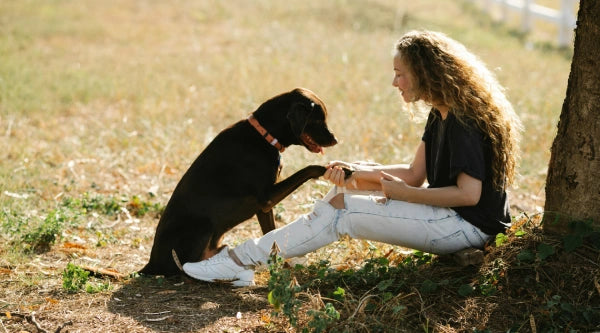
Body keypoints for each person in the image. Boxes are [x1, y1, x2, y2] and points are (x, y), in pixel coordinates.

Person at [181, 30, 522, 287]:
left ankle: (238, 260)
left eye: (400, 74)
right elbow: (414, 173)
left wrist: (402, 194)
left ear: (427, 73)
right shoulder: (441, 113)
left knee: (344, 213)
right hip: (450, 216)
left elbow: (468, 195)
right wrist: (356, 173)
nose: (395, 82)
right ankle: (241, 266)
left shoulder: (464, 122)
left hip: (468, 227)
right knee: (339, 196)